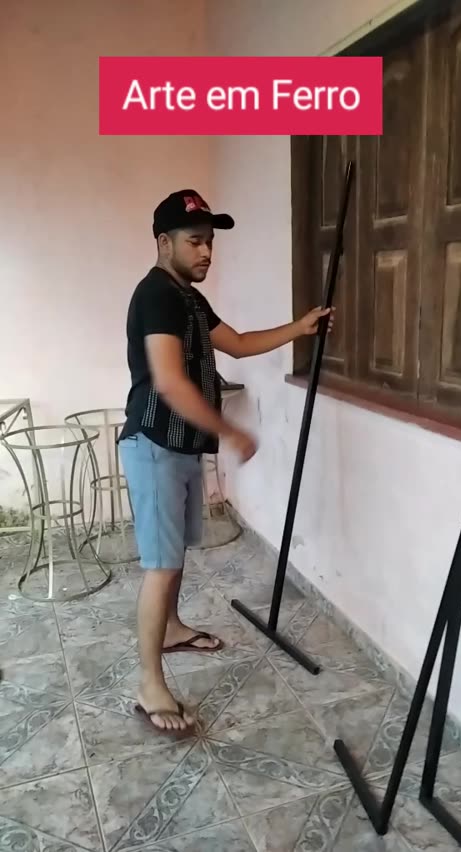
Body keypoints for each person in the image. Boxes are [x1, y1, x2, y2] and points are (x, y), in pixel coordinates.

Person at [118, 189, 334, 734]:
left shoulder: (188, 298)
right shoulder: (156, 295)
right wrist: (230, 431)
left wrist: (299, 327)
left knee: (174, 558)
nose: (207, 251)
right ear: (163, 242)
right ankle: (149, 684)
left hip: (180, 447)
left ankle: (170, 628)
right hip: (155, 445)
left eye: (210, 242)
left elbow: (235, 343)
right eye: (195, 241)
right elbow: (169, 382)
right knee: (161, 565)